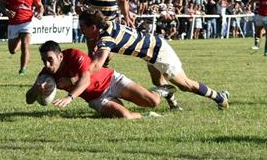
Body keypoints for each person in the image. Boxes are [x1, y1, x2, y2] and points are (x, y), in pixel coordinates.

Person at [78, 9, 230, 110]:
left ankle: (219, 97)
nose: (81, 32)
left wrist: (80, 76)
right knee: (157, 82)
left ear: (93, 27)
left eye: (82, 28)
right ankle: (174, 104)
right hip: (151, 50)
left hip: (159, 52)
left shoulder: (106, 38)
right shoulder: (106, 24)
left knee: (185, 84)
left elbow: (97, 64)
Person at [25, 41, 171, 119]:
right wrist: (35, 90)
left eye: (50, 60)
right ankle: (147, 116)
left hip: (112, 80)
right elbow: (29, 100)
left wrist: (70, 97)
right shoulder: (46, 73)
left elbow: (85, 80)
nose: (47, 65)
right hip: (96, 99)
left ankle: (161, 90)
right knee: (125, 116)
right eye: (44, 60)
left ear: (60, 56)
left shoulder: (74, 55)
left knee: (153, 102)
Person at [1, 0, 44, 75]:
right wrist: (6, 11)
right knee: (12, 50)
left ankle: (22, 70)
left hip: (27, 22)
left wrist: (40, 13)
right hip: (13, 23)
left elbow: (40, 6)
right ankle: (19, 39)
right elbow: (1, 4)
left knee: (26, 46)